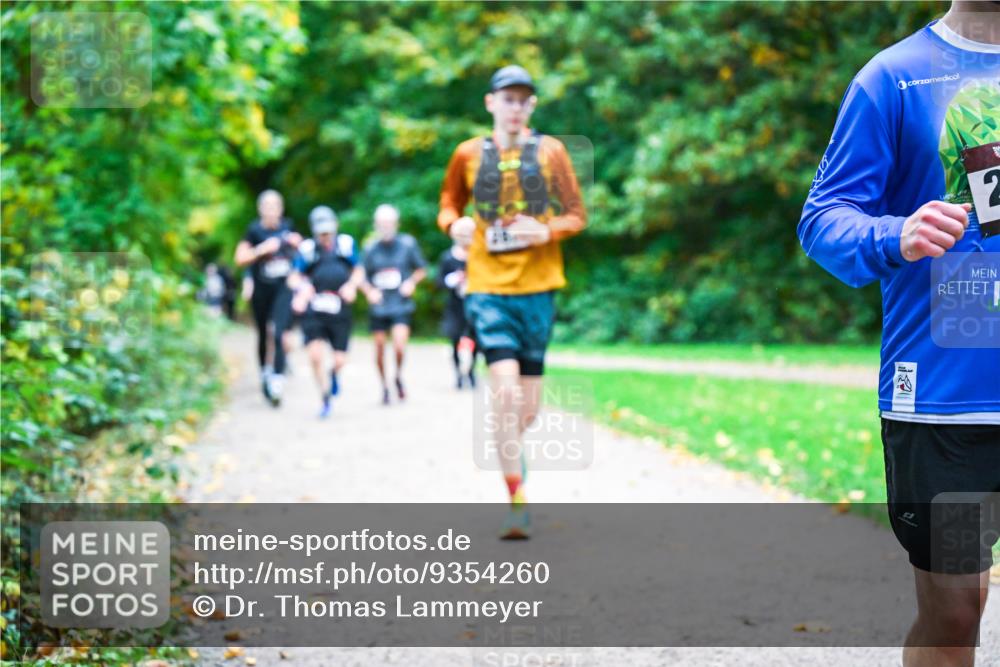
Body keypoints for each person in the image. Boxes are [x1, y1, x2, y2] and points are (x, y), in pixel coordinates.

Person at [798, 4, 999, 665]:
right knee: (954, 613)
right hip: (946, 401)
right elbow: (824, 220)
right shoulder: (894, 77)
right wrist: (896, 233)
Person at [437, 65, 587, 539]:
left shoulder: (551, 151)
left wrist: (546, 230)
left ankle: (507, 445)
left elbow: (576, 215)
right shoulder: (467, 154)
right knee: (504, 394)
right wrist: (454, 225)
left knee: (527, 410)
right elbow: (448, 205)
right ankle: (516, 502)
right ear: (491, 103)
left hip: (538, 290)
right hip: (487, 289)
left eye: (524, 100)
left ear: (532, 106)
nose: (515, 108)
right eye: (508, 99)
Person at [289, 206, 360, 419]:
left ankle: (333, 375)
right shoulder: (308, 250)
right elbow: (294, 276)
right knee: (315, 355)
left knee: (339, 360)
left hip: (339, 308)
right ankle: (325, 396)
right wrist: (302, 289)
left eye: (328, 232)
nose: (325, 237)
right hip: (315, 308)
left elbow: (358, 269)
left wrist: (352, 286)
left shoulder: (345, 245)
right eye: (321, 233)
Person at [234, 189, 302, 406]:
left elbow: (302, 256)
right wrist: (262, 250)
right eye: (267, 206)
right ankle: (265, 371)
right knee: (264, 333)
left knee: (279, 332)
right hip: (262, 290)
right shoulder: (254, 230)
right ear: (260, 209)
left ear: (281, 209)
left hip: (283, 289)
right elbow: (240, 258)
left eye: (275, 206)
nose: (271, 211)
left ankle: (277, 380)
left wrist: (298, 247)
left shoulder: (288, 227)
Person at [357, 204, 427, 405]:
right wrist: (369, 291)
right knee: (379, 348)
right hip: (379, 305)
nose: (385, 226)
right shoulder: (370, 248)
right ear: (376, 225)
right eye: (381, 223)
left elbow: (421, 269)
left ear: (396, 224)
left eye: (389, 222)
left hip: (400, 304)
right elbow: (360, 275)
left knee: (399, 346)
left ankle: (397, 376)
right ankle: (384, 386)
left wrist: (411, 283)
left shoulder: (407, 244)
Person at [437, 217, 478, 389]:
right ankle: (458, 374)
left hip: (475, 304)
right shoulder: (448, 257)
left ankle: (471, 371)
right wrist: (453, 280)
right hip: (455, 306)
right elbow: (439, 282)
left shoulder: (478, 256)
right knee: (454, 339)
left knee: (476, 339)